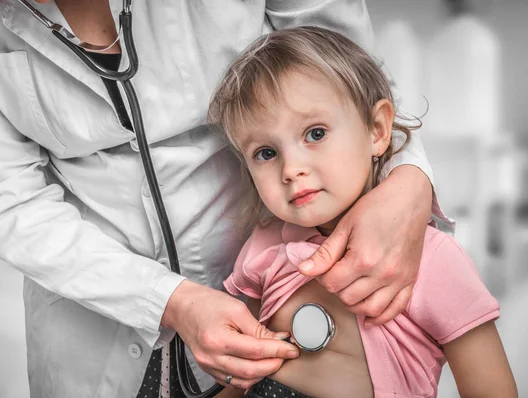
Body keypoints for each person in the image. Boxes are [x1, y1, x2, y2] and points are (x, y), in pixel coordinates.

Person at [0, 1, 445, 396]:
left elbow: (351, 75)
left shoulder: (434, 267)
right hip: (95, 325)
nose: (292, 170)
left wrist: (408, 178)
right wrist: (169, 301)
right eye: (266, 152)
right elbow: (5, 201)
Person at [209, 26, 517, 398]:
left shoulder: (434, 259)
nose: (291, 169)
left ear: (377, 129)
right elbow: (236, 373)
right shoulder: (264, 247)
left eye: (316, 133)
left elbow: (492, 391)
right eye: (266, 153)